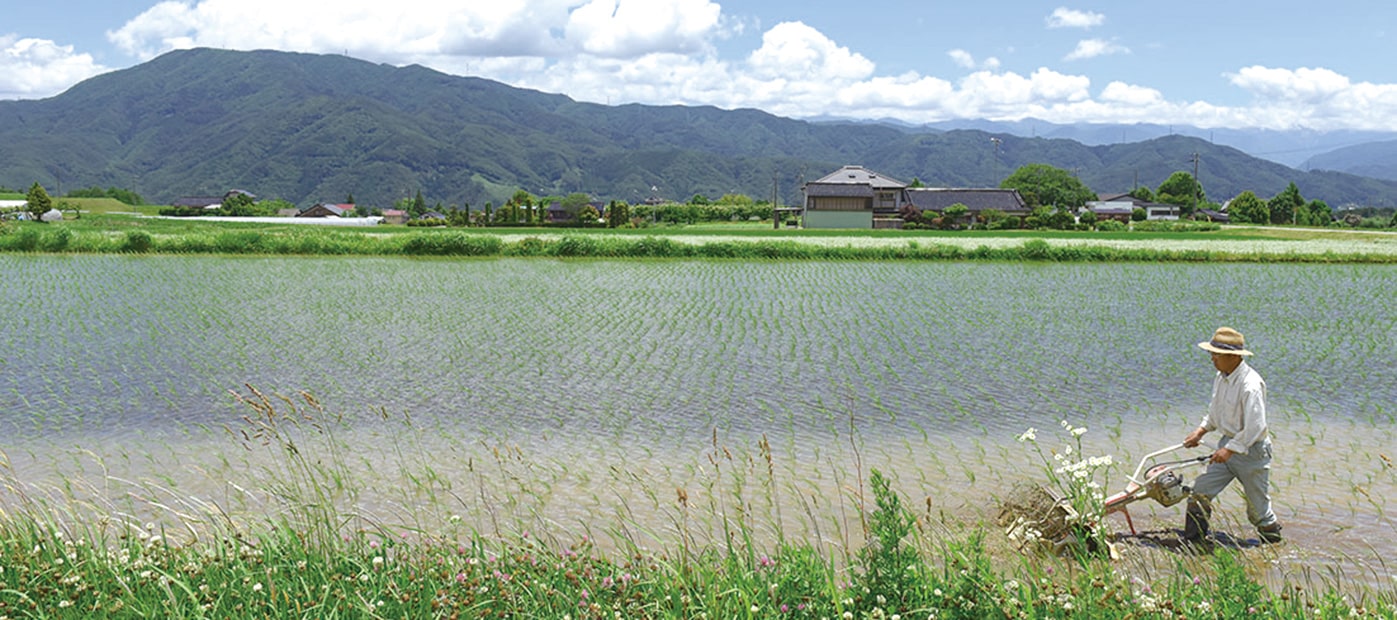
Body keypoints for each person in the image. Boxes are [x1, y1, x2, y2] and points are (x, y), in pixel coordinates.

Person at [1180, 326, 1283, 544]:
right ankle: (1194, 546)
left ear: (1232, 357)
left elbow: (1255, 426)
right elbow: (1215, 411)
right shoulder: (1222, 377)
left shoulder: (1251, 384)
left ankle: (1274, 546)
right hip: (1227, 445)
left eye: (1215, 355)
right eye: (1211, 354)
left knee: (1258, 512)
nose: (1212, 359)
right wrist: (1201, 431)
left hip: (1251, 451)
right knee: (1199, 493)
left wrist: (1230, 449)